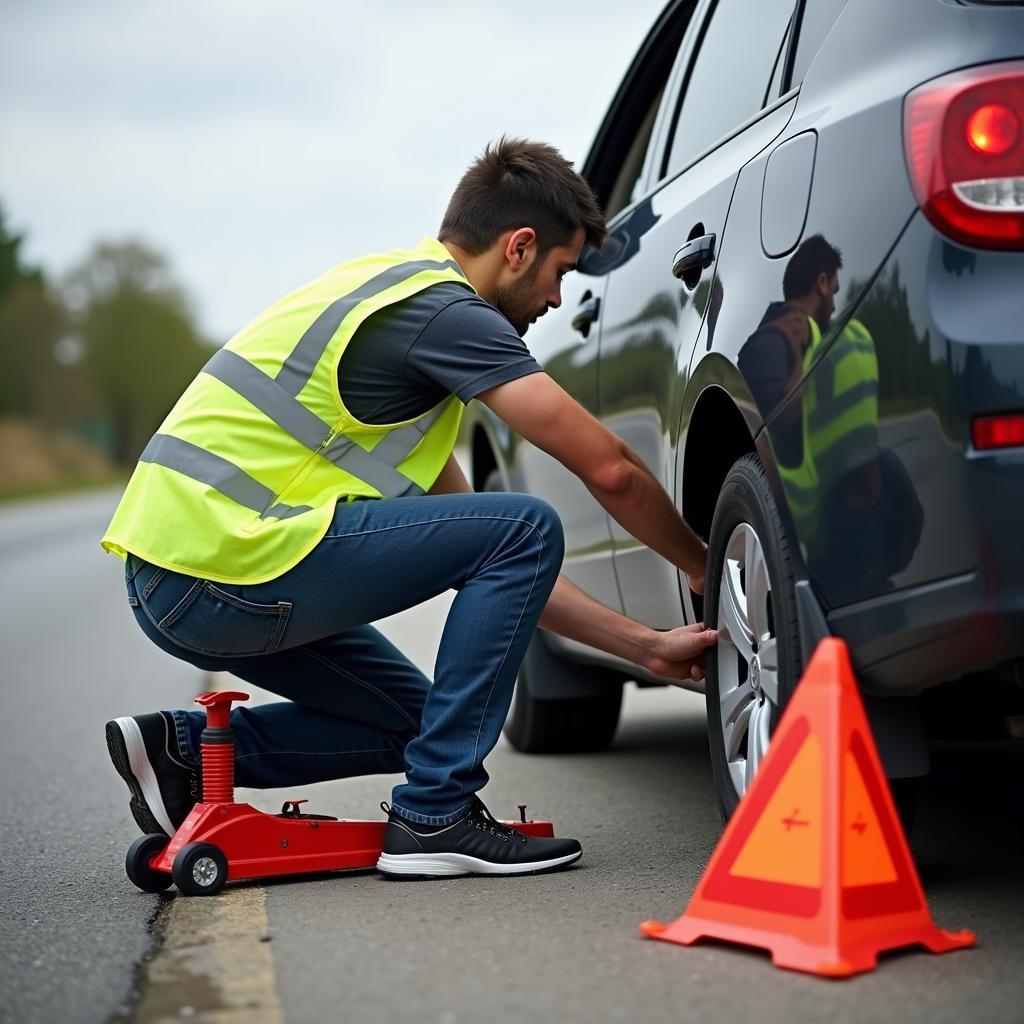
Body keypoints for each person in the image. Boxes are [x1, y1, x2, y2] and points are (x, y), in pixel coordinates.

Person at [102, 137, 715, 880]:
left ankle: (180, 753)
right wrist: (702, 566)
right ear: (519, 247)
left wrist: (645, 648)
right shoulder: (445, 316)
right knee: (526, 521)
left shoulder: (392, 302)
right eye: (559, 272)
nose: (559, 299)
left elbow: (503, 564)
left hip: (176, 576)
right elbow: (611, 471)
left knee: (422, 721)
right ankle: (437, 816)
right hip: (220, 568)